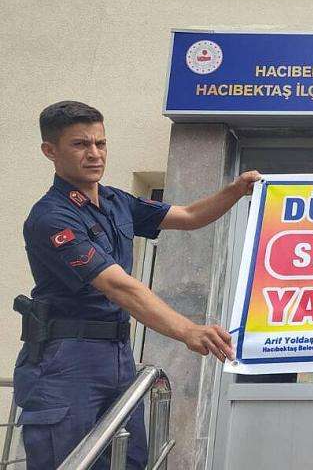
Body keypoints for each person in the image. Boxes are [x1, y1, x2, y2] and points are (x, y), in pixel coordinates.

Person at [14, 100, 261, 469]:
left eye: (100, 143)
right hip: (66, 358)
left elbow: (189, 216)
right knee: (68, 461)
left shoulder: (116, 201)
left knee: (128, 459)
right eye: (80, 144)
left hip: (116, 352)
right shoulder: (52, 217)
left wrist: (236, 190)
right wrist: (187, 330)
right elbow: (119, 287)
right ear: (50, 151)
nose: (94, 154)